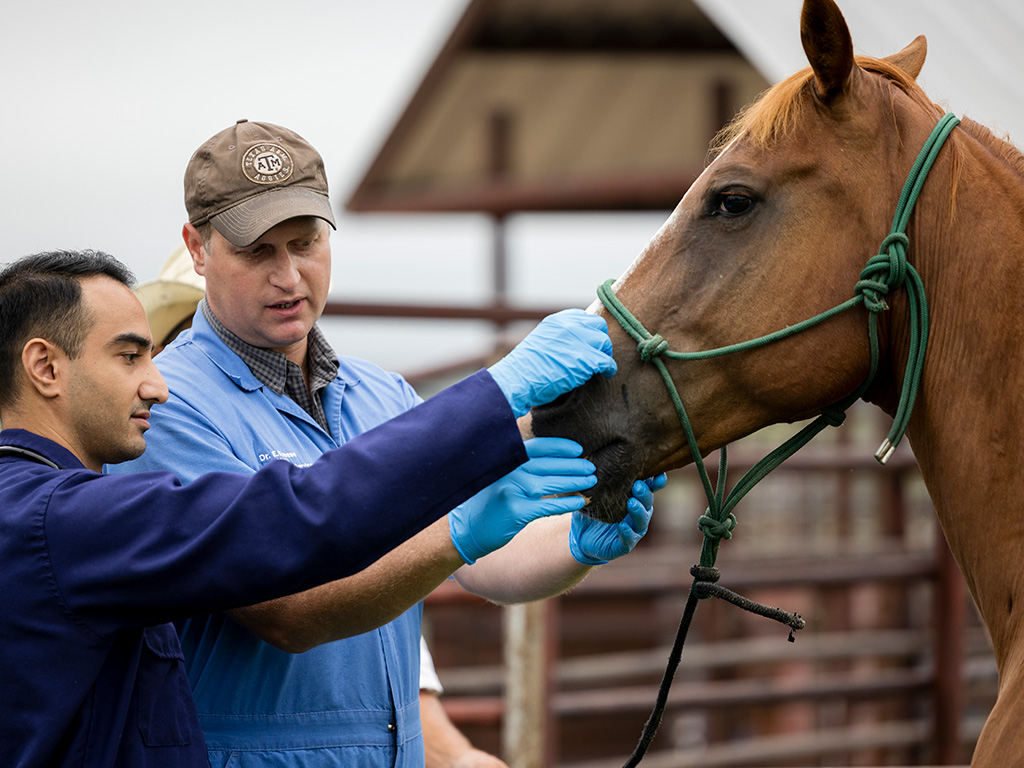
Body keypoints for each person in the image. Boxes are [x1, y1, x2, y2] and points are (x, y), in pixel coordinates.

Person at [111, 119, 665, 768]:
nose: (289, 276)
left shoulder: (382, 397)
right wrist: (464, 527)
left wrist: (575, 543)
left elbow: (487, 560)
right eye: (257, 251)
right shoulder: (168, 409)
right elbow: (292, 614)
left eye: (306, 241)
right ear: (197, 249)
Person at [0, 249, 619, 768]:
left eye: (305, 242)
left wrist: (566, 539)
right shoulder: (62, 519)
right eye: (131, 356)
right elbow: (291, 522)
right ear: (45, 367)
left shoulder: (47, 507)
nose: (157, 383)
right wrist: (494, 398)